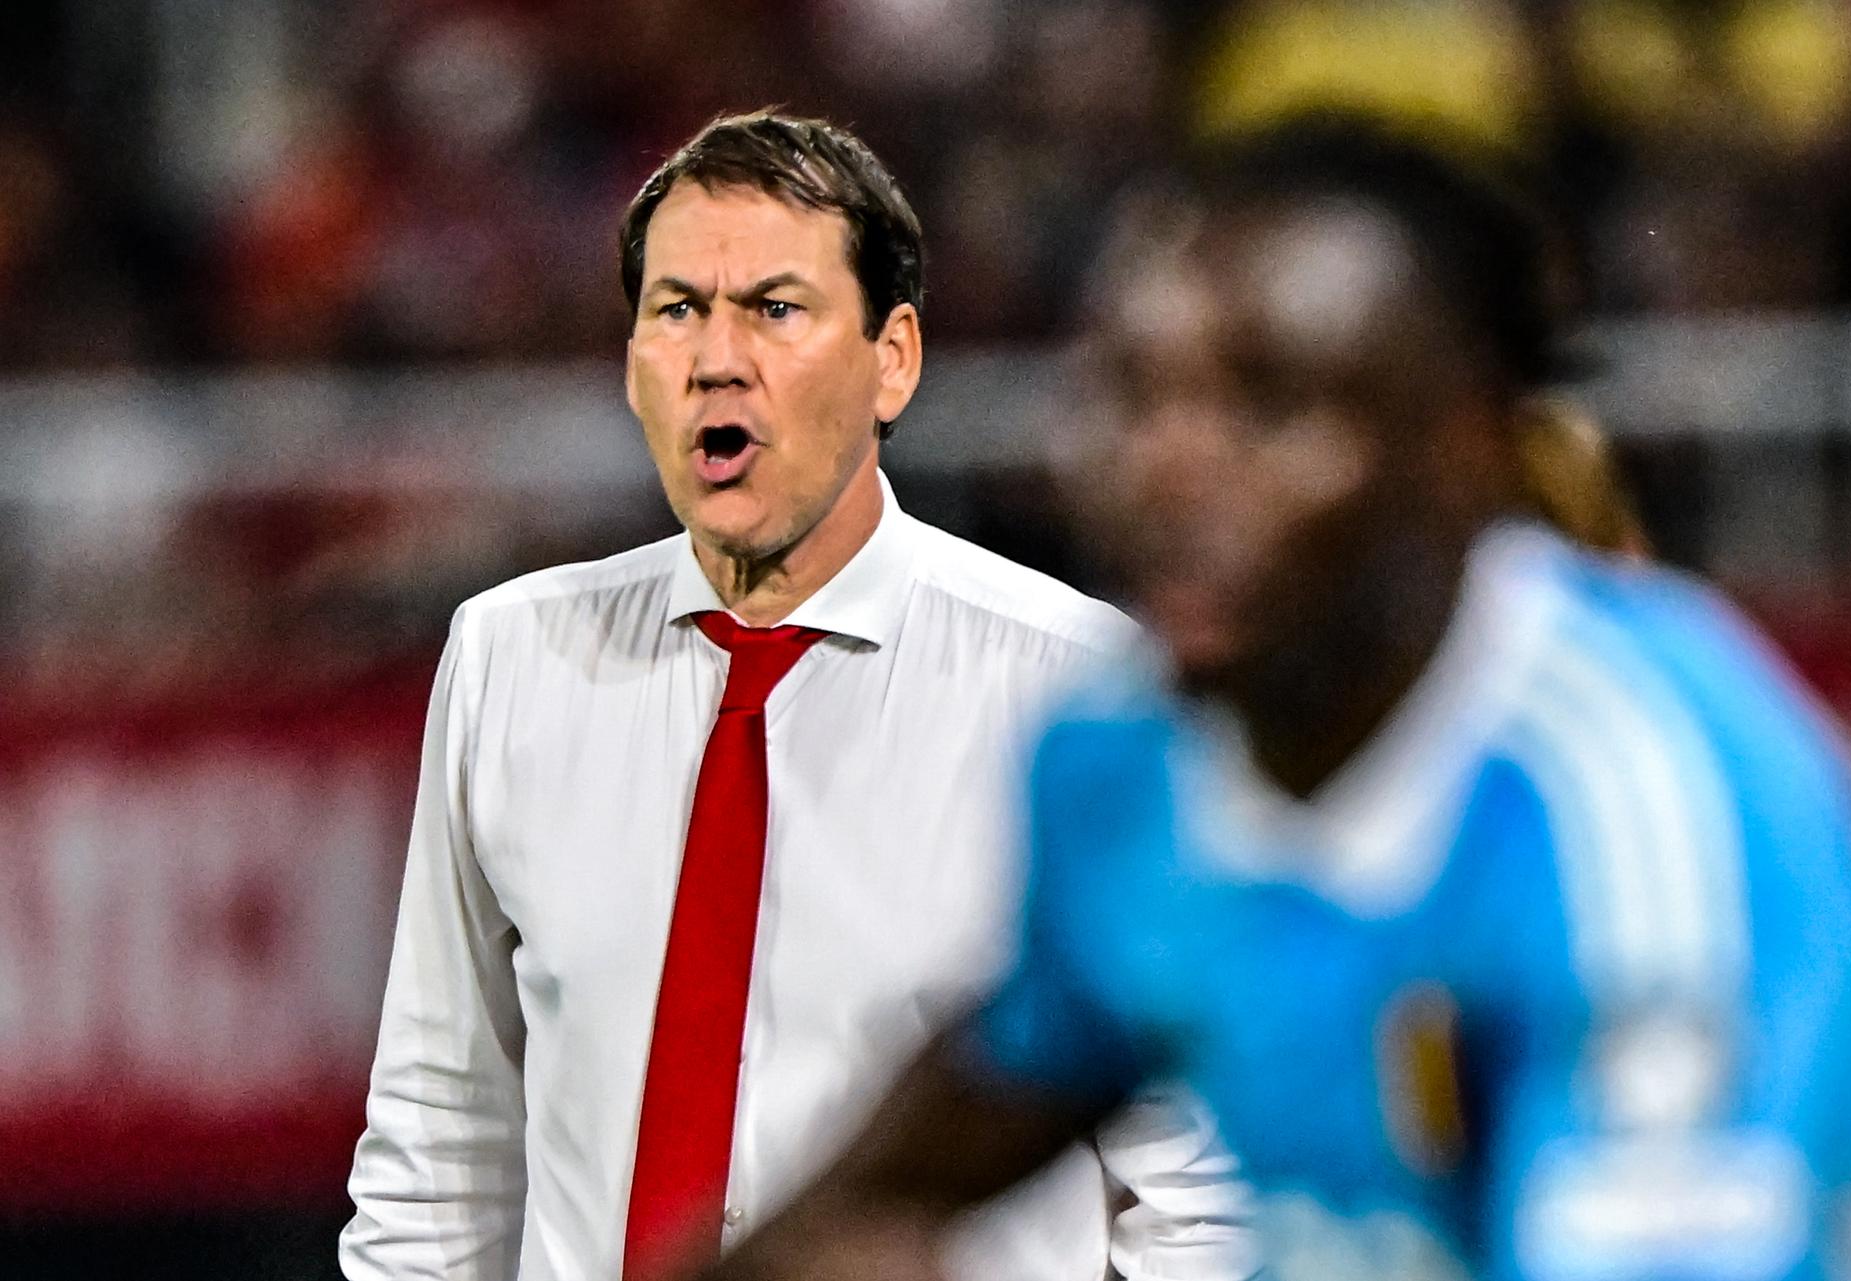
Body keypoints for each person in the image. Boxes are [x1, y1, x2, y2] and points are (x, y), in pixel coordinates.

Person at [692, 114, 1851, 1281]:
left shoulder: (1645, 808)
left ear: (1472, 446)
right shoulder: (1122, 759)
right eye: (1128, 393)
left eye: (1269, 406)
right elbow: (982, 1107)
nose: (1166, 467)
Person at [338, 111, 1255, 1281]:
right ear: (632, 368)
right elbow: (438, 1149)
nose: (717, 357)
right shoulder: (507, 659)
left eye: (774, 309)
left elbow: (1193, 1197)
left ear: (895, 360)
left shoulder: (1079, 692)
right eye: (677, 310)